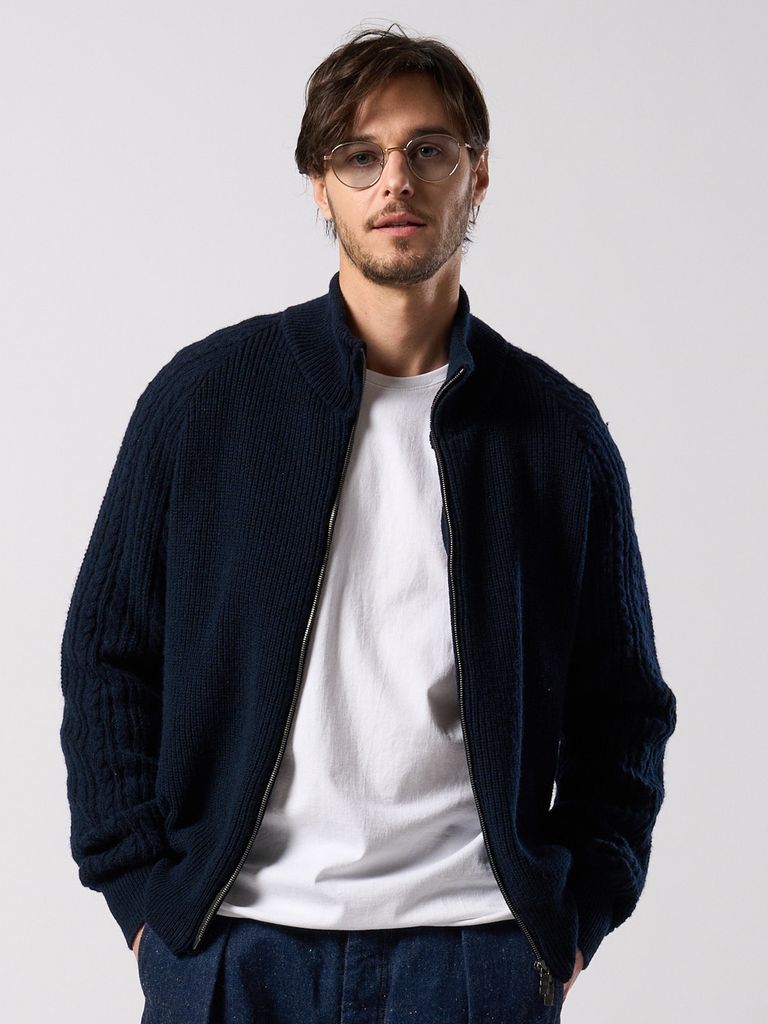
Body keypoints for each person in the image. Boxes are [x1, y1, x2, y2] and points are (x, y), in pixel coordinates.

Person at [59, 24, 677, 1024]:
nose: (396, 180)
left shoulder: (555, 433)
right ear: (320, 185)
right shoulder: (206, 400)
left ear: (478, 175)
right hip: (235, 949)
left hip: (472, 957)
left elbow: (625, 706)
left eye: (429, 150)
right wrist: (143, 899)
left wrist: (576, 914)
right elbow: (107, 656)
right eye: (360, 155)